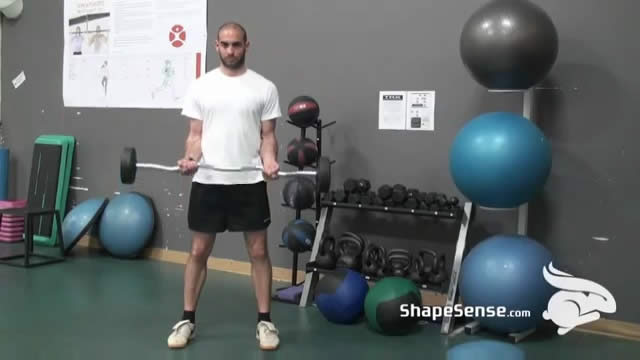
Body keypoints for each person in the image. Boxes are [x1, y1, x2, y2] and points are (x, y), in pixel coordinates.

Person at [167, 22, 282, 351]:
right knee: (198, 251)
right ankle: (187, 319)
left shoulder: (264, 88)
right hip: (209, 181)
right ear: (216, 46)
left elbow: (268, 137)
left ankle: (265, 322)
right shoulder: (201, 87)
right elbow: (195, 135)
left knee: (258, 251)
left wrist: (270, 161)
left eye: (237, 45)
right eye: (225, 45)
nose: (231, 50)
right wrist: (190, 158)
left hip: (248, 181)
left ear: (247, 44)